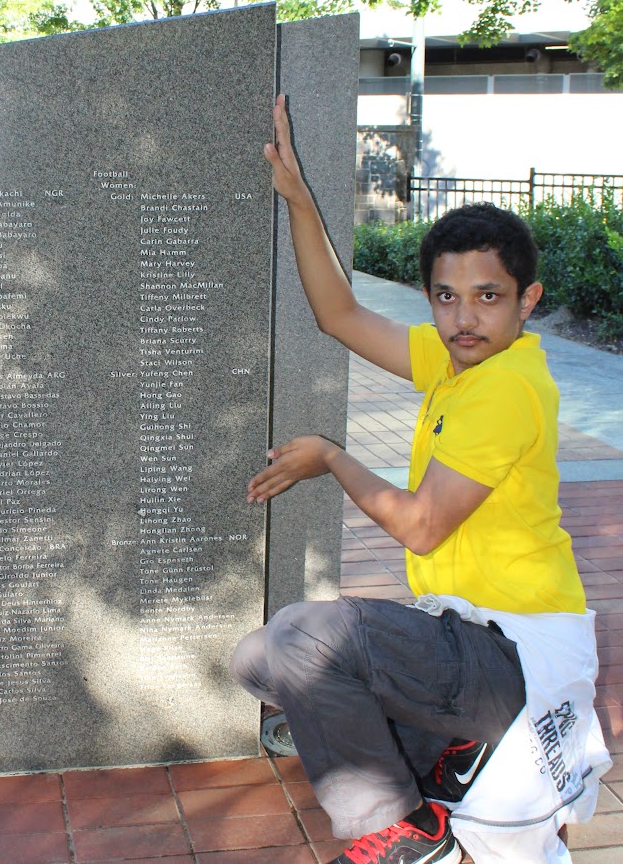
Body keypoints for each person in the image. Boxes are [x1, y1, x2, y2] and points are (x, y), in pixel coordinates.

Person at [230, 95, 610, 864]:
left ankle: (404, 832)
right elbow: (340, 314)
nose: (464, 318)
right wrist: (299, 199)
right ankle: (449, 755)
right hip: (466, 635)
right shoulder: (462, 357)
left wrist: (332, 457)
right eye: (447, 297)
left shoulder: (505, 387)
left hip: (518, 653)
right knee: (262, 661)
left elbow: (421, 526)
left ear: (528, 301)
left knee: (302, 642)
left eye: (488, 297)